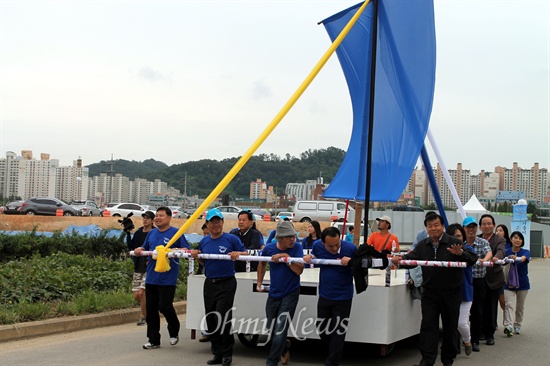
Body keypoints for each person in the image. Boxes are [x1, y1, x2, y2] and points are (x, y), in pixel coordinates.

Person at [391, 213, 477, 366]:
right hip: (430, 293)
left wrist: (461, 253)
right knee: (428, 327)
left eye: (436, 225)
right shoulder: (423, 245)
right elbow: (411, 260)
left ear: (442, 226)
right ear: (426, 228)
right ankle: (427, 360)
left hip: (451, 293)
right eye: (430, 226)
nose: (433, 228)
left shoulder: (453, 242)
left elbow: (473, 258)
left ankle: (447, 359)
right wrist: (400, 260)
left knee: (450, 327)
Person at [190, 208, 248, 366]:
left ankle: (227, 354)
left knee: (223, 317)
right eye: (212, 222)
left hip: (227, 283)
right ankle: (217, 354)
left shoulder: (231, 239)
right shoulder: (205, 241)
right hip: (210, 283)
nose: (215, 224)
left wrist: (238, 254)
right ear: (207, 224)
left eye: (218, 221)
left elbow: (246, 253)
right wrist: (197, 257)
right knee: (211, 319)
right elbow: (204, 261)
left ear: (222, 222)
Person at [133, 207, 190, 350]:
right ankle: (153, 340)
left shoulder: (176, 233)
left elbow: (186, 250)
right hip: (152, 277)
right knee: (151, 310)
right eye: (156, 216)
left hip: (167, 278)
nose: (157, 218)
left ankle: (174, 330)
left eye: (161, 216)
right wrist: (139, 250)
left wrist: (174, 251)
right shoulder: (152, 233)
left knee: (164, 306)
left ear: (169, 218)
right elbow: (145, 248)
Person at [303, 227, 357, 366]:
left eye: (337, 244)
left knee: (338, 331)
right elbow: (315, 256)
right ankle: (334, 351)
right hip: (325, 294)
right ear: (322, 243)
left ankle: (332, 361)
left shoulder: (350, 248)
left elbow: (362, 265)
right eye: (330, 246)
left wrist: (351, 262)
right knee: (322, 328)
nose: (334, 248)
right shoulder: (317, 246)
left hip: (343, 296)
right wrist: (310, 258)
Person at [257, 221, 304, 366]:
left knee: (280, 329)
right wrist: (259, 282)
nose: (292, 239)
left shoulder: (297, 247)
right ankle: (284, 347)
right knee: (272, 329)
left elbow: (299, 270)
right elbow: (262, 263)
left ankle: (272, 362)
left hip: (291, 293)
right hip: (273, 292)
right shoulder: (269, 248)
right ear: (279, 238)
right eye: (288, 237)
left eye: (293, 236)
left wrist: (286, 259)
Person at [462, 216, 492, 353]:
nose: (471, 229)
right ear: (464, 228)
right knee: (459, 312)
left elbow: (489, 253)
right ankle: (460, 340)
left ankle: (474, 340)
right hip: (463, 281)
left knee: (477, 311)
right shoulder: (460, 242)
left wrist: (483, 260)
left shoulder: (482, 241)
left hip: (478, 280)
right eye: (468, 227)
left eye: (473, 227)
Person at [446, 223, 474, 356]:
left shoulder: (468, 249)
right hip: (448, 291)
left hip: (465, 292)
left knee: (461, 323)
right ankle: (452, 349)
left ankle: (468, 341)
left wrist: (460, 253)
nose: (456, 238)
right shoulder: (444, 250)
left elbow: (471, 258)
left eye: (458, 235)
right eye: (453, 236)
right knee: (450, 324)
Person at [479, 214, 506, 347]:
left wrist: (496, 258)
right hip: (479, 277)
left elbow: (501, 251)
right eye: (484, 224)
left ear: (494, 225)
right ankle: (481, 332)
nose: (487, 226)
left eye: (489, 223)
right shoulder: (477, 239)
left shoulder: (499, 239)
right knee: (479, 306)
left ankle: (490, 334)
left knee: (490, 306)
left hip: (493, 278)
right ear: (480, 227)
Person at [125, 210, 155, 326]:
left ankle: (144, 316)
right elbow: (131, 247)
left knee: (142, 292)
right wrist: (128, 233)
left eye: (147, 218)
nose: (145, 220)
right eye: (144, 218)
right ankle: (150, 308)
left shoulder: (154, 233)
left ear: (152, 220)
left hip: (149, 267)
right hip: (138, 266)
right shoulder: (138, 233)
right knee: (137, 295)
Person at [503, 231, 530, 336]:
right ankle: (508, 326)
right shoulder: (506, 251)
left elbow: (524, 259)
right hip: (508, 284)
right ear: (511, 239)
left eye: (520, 238)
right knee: (508, 305)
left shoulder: (525, 252)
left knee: (520, 306)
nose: (517, 240)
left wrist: (517, 258)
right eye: (515, 238)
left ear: (522, 241)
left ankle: (517, 325)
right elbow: (501, 260)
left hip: (523, 284)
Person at [495, 224, 511, 317]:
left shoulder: (509, 244)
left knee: (503, 300)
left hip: (505, 274)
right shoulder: (492, 243)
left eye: (501, 230)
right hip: (495, 273)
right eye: (497, 230)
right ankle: (493, 322)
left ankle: (507, 318)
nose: (498, 232)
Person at [199, 222, 210, 343]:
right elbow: (202, 263)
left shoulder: (229, 239)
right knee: (207, 307)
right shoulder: (203, 243)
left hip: (225, 281)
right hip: (206, 278)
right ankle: (206, 331)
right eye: (204, 234)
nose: (206, 235)